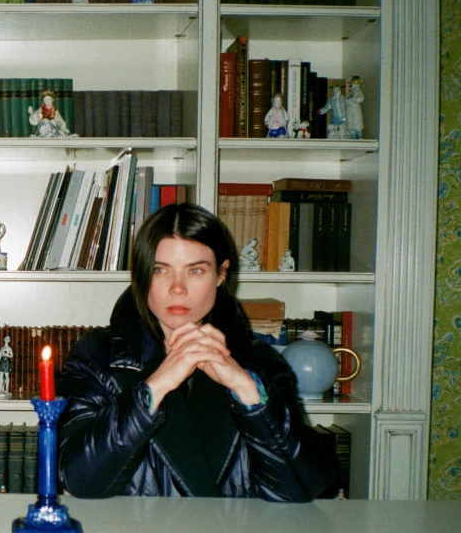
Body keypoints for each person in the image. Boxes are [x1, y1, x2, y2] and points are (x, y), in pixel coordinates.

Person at [56, 203, 337, 501]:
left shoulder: (259, 361)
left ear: (221, 274)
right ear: (141, 275)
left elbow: (302, 491)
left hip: (237, 532)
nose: (178, 288)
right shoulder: (98, 356)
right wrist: (153, 388)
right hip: (136, 532)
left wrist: (246, 390)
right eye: (160, 270)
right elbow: (79, 481)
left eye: (196, 270)